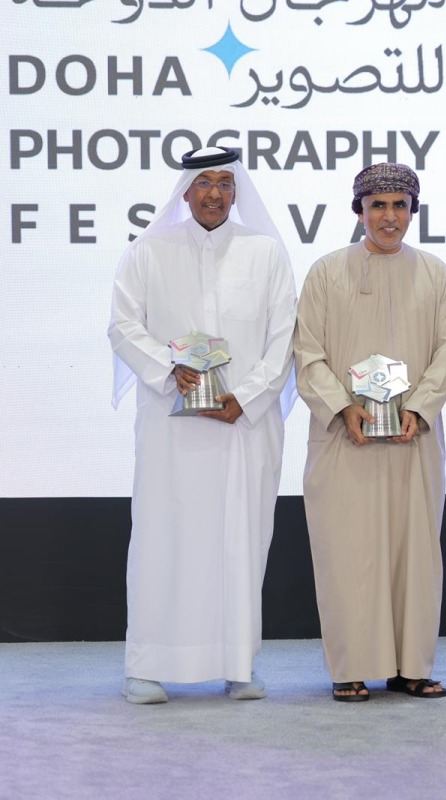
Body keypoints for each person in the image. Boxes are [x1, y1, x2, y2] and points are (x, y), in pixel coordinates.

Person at [108, 146, 296, 704]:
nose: (215, 193)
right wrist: (171, 371)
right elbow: (123, 328)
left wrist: (249, 397)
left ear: (236, 192)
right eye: (204, 182)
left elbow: (284, 336)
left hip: (243, 425)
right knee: (163, 538)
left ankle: (239, 664)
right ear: (185, 190)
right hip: (173, 427)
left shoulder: (266, 253)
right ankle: (147, 665)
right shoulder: (146, 251)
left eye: (225, 183)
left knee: (241, 539)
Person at [294, 163, 446, 702]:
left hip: (412, 439)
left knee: (412, 554)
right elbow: (307, 352)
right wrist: (342, 408)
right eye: (378, 206)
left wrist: (421, 406)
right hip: (348, 440)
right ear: (359, 210)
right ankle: (350, 667)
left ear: (414, 211)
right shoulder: (326, 273)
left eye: (399, 206)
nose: (389, 217)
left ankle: (411, 667)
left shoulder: (435, 275)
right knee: (348, 555)